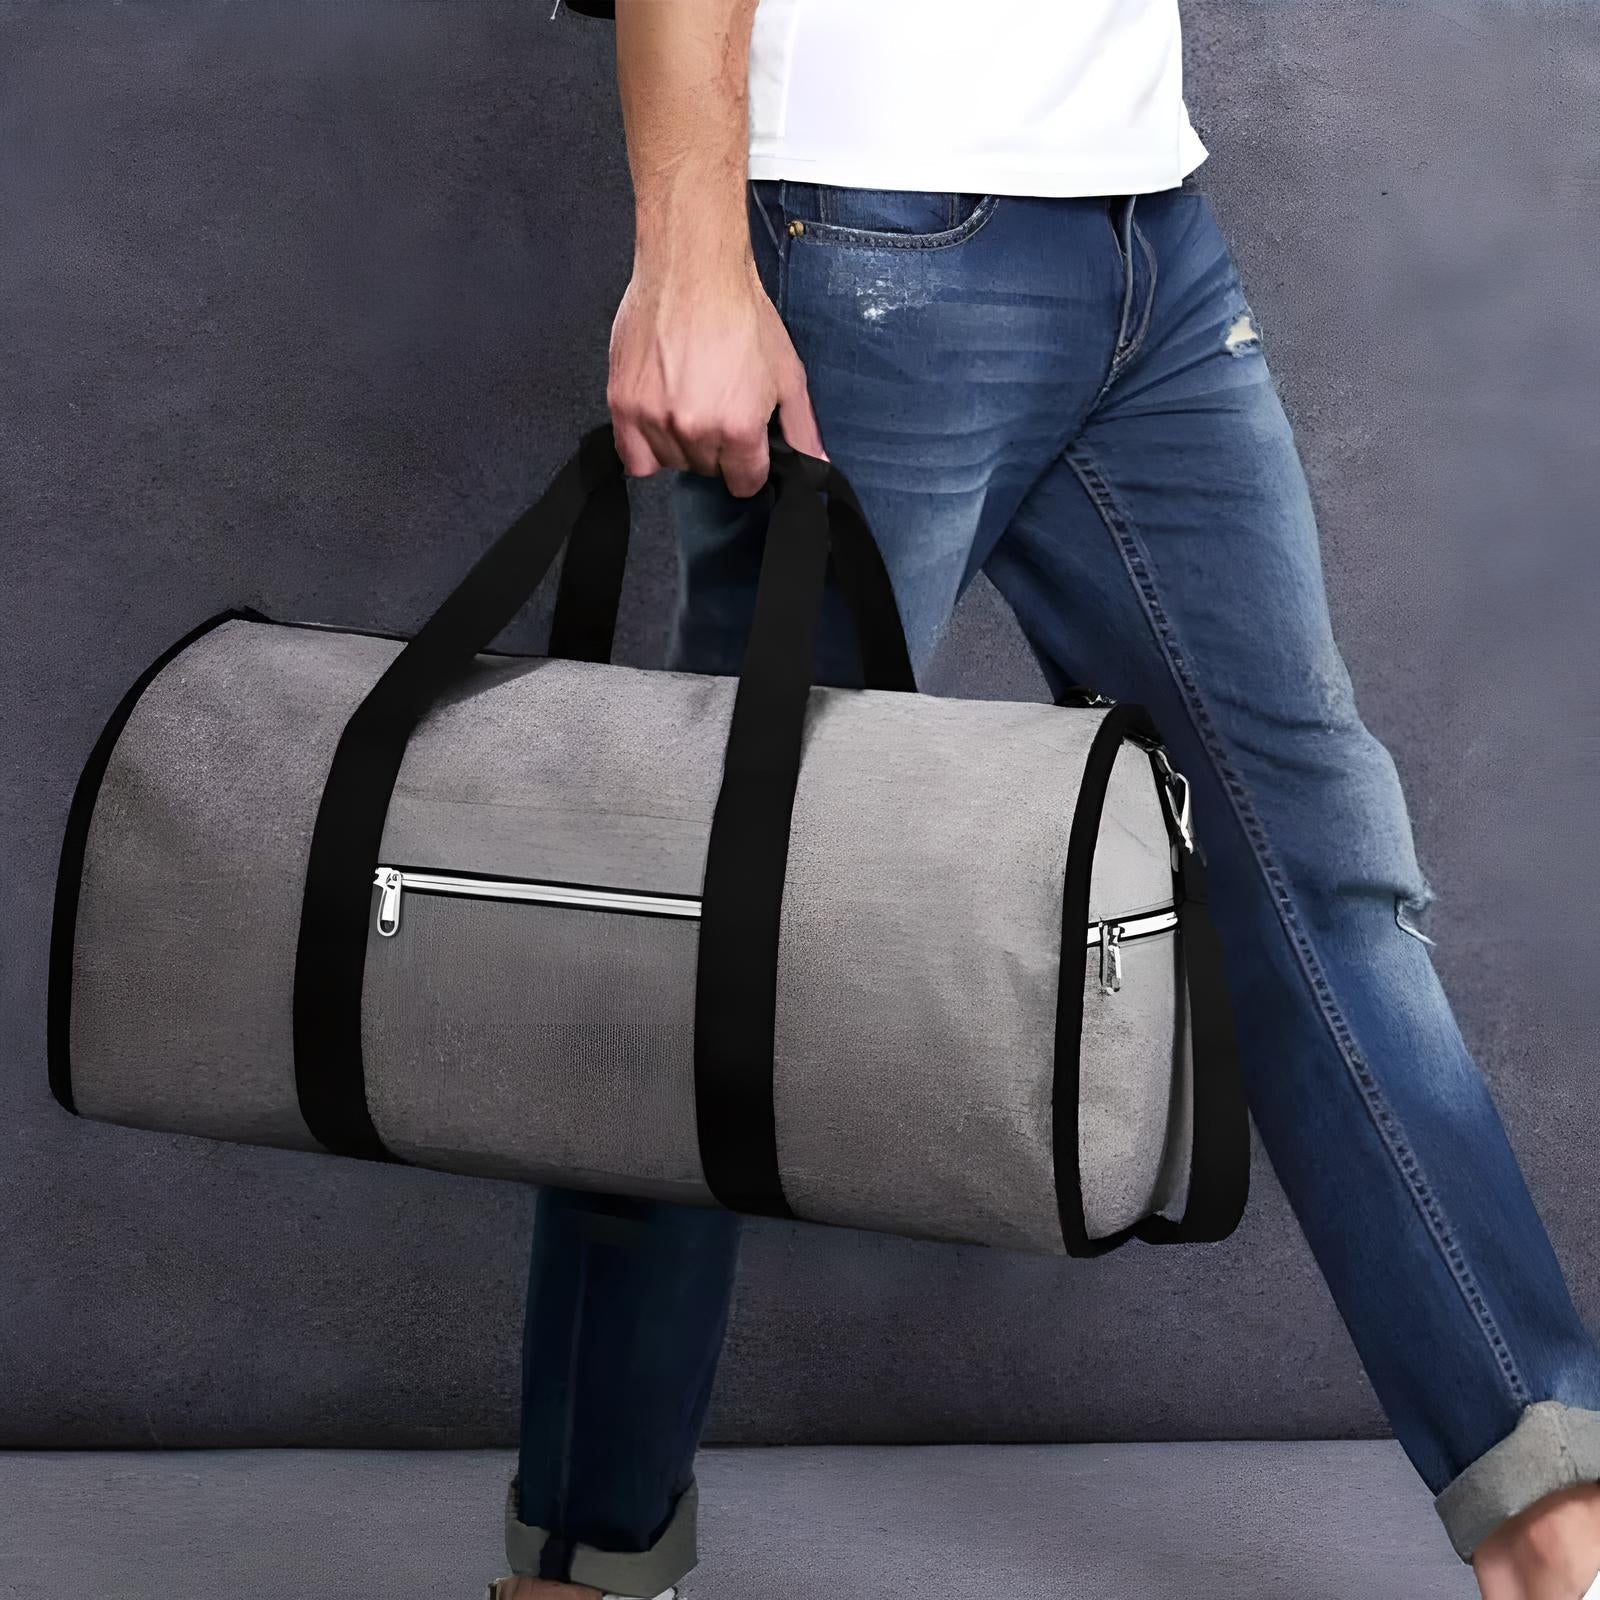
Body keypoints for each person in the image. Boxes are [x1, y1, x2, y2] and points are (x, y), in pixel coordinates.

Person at [488, 2, 1600, 1596]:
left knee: (1315, 876)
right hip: (868, 232)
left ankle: (1556, 1527)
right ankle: (579, 1569)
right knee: (715, 926)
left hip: (1144, 229)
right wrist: (689, 256)